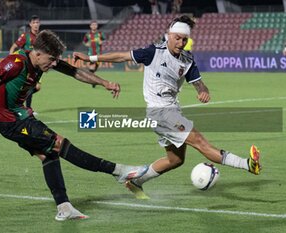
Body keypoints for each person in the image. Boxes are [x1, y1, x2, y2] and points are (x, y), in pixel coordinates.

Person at [73, 15, 262, 200]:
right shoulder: (154, 52)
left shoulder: (187, 59)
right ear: (169, 35)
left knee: (175, 160)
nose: (180, 43)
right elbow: (122, 56)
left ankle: (136, 182)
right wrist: (91, 58)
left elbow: (199, 83)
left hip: (170, 111)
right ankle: (247, 164)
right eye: (177, 38)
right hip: (160, 112)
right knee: (200, 142)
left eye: (184, 39)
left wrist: (203, 90)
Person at [0, 30, 148, 220]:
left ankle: (64, 208)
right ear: (37, 54)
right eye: (51, 59)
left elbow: (74, 72)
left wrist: (105, 83)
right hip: (11, 121)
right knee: (59, 143)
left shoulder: (43, 59)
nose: (53, 64)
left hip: (18, 116)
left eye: (55, 60)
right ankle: (119, 171)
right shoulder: (16, 63)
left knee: (49, 154)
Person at [9, 15, 41, 115]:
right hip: (26, 65)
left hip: (36, 67)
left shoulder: (40, 37)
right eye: (34, 23)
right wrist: (10, 57)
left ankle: (18, 101)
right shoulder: (25, 36)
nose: (36, 25)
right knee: (30, 86)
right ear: (30, 24)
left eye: (37, 22)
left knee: (37, 87)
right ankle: (28, 108)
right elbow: (14, 46)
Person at [83, 20, 106, 87]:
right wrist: (87, 44)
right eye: (92, 25)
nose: (94, 26)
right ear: (90, 26)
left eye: (95, 25)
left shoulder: (100, 33)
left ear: (97, 26)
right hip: (91, 53)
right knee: (92, 68)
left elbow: (104, 39)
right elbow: (84, 41)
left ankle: (92, 79)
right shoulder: (88, 34)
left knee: (95, 68)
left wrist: (102, 42)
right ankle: (93, 81)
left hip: (98, 53)